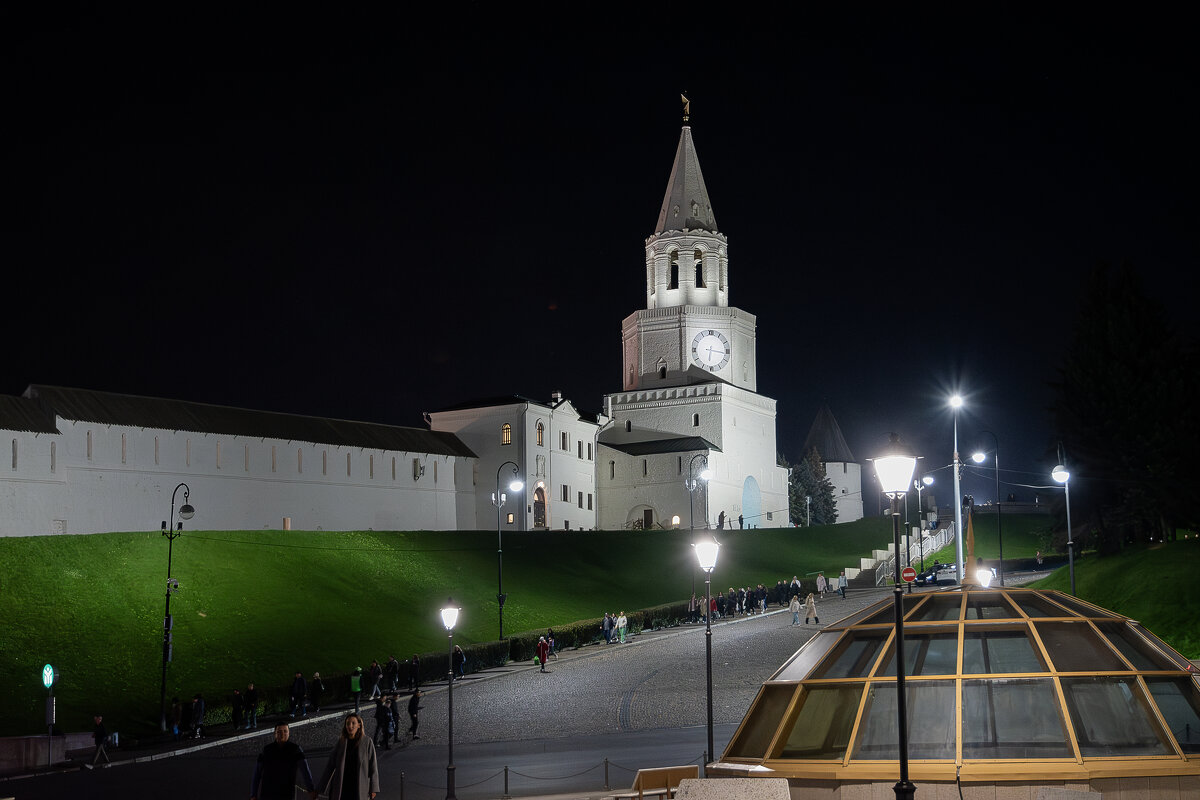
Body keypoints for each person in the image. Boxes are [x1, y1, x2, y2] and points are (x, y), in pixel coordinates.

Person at [316, 713, 380, 800]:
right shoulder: (341, 742)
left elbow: (373, 767)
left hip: (360, 786)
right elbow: (330, 766)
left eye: (353, 723)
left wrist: (373, 788)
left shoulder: (367, 742)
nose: (350, 726)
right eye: (348, 723)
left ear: (359, 725)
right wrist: (320, 789)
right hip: (342, 787)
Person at [250, 722, 317, 800]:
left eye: (285, 731)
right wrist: (253, 795)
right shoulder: (266, 750)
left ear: (289, 733)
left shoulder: (295, 750)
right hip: (267, 793)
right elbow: (257, 773)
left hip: (287, 793)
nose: (282, 734)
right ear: (275, 733)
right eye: (279, 732)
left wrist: (311, 789)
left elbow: (305, 771)